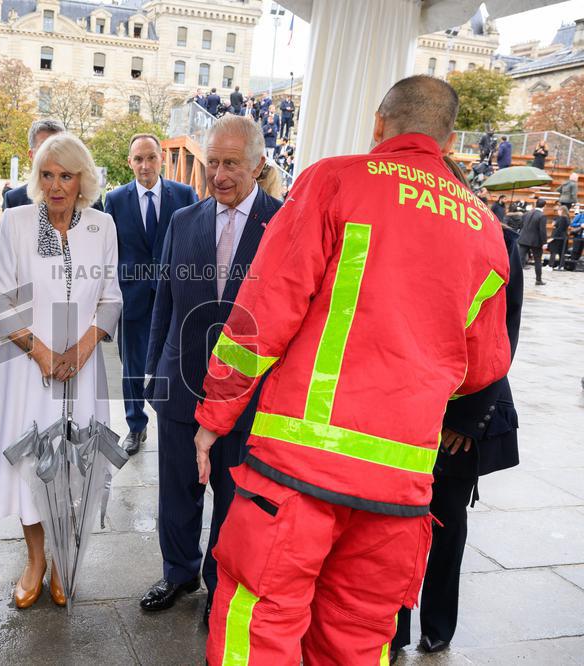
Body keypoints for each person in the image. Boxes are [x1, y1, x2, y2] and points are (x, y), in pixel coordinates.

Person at [194, 75, 511, 665]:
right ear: (447, 140)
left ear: (378, 124)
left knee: (258, 624)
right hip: (400, 486)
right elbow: (484, 366)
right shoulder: (484, 229)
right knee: (358, 640)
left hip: (298, 466)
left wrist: (215, 414)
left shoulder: (336, 180)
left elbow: (263, 314)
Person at [142, 115, 282, 628]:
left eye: (231, 164)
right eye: (212, 163)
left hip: (248, 395)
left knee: (233, 497)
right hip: (182, 384)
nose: (219, 175)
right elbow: (164, 304)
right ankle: (177, 573)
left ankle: (220, 587)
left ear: (258, 164)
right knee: (176, 491)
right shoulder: (183, 222)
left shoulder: (284, 224)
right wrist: (154, 376)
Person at [0, 132, 122, 609]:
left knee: (75, 466)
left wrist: (80, 349)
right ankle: (35, 561)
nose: (56, 185)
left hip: (82, 369)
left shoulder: (103, 226)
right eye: (47, 174)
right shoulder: (17, 222)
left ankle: (62, 559)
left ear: (83, 180)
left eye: (67, 175)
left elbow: (112, 298)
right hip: (25, 369)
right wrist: (40, 351)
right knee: (32, 467)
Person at [391, 193, 523, 662]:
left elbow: (502, 339)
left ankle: (438, 626)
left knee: (446, 523)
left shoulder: (502, 241)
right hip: (407, 410)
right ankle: (394, 628)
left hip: (460, 420)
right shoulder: (415, 229)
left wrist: (465, 419)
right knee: (399, 525)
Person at [104, 134, 197, 455]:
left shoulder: (185, 195)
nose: (145, 165)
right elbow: (108, 251)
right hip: (132, 298)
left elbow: (194, 244)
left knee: (176, 364)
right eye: (138, 159)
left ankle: (176, 423)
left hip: (174, 296)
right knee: (131, 367)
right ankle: (136, 426)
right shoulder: (114, 200)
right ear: (130, 162)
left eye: (151, 157)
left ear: (162, 159)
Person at [5, 119, 104, 212]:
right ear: (31, 155)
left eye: (60, 148)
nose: (52, 153)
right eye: (44, 147)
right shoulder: (14, 200)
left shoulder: (89, 198)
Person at [518, 198, 548, 285]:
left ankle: (512, 277)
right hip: (536, 241)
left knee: (520, 260)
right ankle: (538, 280)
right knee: (538, 260)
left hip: (523, 239)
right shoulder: (542, 216)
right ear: (544, 206)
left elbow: (521, 224)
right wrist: (544, 243)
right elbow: (542, 231)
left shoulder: (526, 213)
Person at [549, 205, 571, 270]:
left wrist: (553, 237)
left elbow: (559, 229)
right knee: (561, 252)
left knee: (553, 251)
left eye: (558, 210)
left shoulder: (562, 218)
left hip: (558, 237)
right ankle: (561, 265)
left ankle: (550, 265)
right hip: (563, 236)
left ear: (562, 211)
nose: (558, 212)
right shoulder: (566, 217)